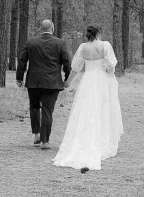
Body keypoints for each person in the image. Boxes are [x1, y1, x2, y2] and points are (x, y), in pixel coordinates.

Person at [52, 25, 123, 170]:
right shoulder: (105, 45)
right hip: (102, 80)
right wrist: (110, 74)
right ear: (99, 33)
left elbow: (76, 68)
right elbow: (110, 66)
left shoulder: (83, 47)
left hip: (88, 80)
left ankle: (84, 140)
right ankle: (103, 143)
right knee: (103, 109)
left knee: (85, 110)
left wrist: (68, 82)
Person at [16, 19, 71, 150]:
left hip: (34, 81)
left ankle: (36, 133)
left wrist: (19, 77)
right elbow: (67, 62)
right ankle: (45, 141)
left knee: (34, 106)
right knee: (47, 110)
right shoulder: (60, 43)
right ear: (52, 28)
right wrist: (67, 78)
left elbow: (22, 60)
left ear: (41, 29)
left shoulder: (31, 42)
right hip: (52, 82)